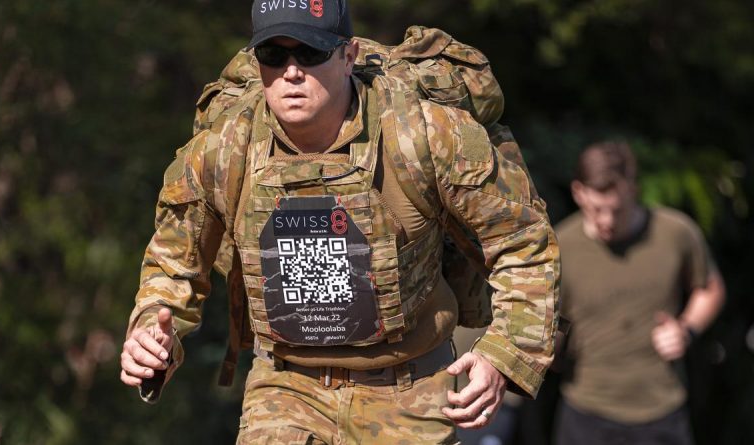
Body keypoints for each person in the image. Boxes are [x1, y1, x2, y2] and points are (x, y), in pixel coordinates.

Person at [120, 1, 560, 443]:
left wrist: (505, 352)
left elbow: (524, 243)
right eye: (274, 56)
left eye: (310, 53)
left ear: (347, 56)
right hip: (285, 387)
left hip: (411, 391)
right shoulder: (222, 151)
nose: (291, 72)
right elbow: (174, 264)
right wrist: (154, 333)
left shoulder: (425, 136)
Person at [554, 141, 726, 445]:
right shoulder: (559, 246)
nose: (606, 221)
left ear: (633, 189)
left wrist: (686, 330)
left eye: (616, 210)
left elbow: (710, 288)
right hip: (586, 411)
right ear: (578, 192)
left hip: (661, 410)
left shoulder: (675, 232)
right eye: (596, 210)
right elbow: (549, 322)